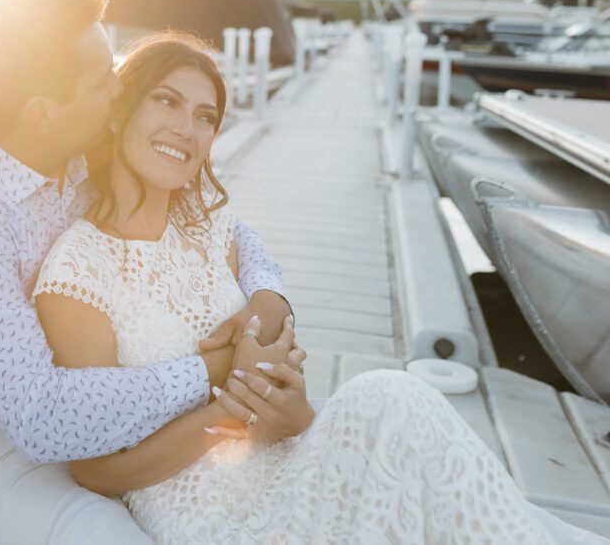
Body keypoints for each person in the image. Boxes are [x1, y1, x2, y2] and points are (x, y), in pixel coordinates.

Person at [32, 31, 609, 545]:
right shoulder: (77, 272)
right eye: (166, 101)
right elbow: (96, 469)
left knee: (390, 401)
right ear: (117, 112)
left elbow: (288, 410)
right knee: (389, 398)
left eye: (205, 116)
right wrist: (232, 413)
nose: (186, 129)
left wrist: (287, 407)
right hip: (204, 510)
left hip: (282, 460)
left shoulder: (215, 234)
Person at [0, 0, 299, 545]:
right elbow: (42, 418)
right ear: (43, 111)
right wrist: (215, 371)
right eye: (102, 80)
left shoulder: (86, 150)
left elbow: (228, 231)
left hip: (153, 414)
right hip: (21, 455)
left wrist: (267, 294)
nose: (121, 91)